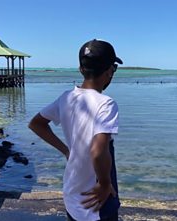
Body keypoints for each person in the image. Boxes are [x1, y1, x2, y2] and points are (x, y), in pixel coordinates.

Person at [28, 39, 123, 221]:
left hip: (73, 193)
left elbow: (36, 124)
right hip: (96, 201)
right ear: (110, 71)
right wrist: (104, 184)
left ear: (81, 69)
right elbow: (97, 151)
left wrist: (67, 150)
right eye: (114, 68)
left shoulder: (66, 98)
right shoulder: (107, 104)